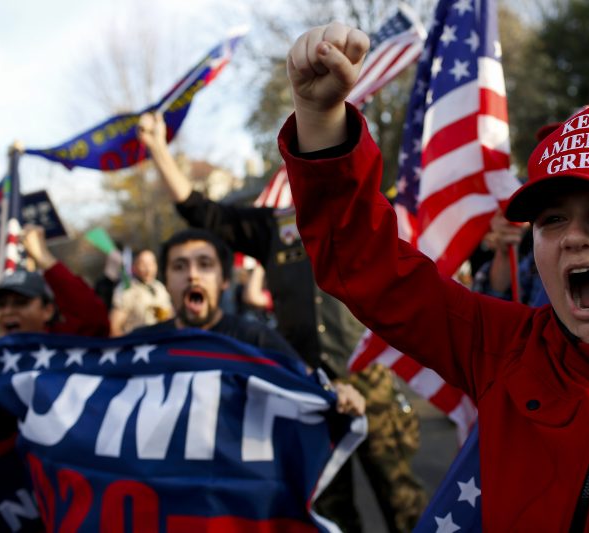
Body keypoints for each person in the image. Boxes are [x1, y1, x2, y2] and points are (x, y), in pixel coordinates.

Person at [278, 22, 589, 530]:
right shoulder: (504, 348)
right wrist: (320, 122)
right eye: (552, 219)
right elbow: (366, 264)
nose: (573, 237)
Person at [137, 113, 427, 532]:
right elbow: (201, 211)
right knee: (331, 512)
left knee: (404, 503)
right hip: (308, 389)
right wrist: (159, 150)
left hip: (369, 377)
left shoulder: (354, 210)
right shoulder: (269, 228)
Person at [132, 227, 365, 417]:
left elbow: (306, 381)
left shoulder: (256, 338)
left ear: (224, 281)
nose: (193, 275)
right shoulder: (142, 344)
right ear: (166, 281)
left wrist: (337, 392)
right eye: (179, 266)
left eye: (205, 264)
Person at [0, 224, 109, 338]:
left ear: (47, 311)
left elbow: (94, 320)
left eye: (21, 302)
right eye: (1, 305)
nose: (8, 311)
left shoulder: (61, 347)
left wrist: (43, 257)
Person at [109, 248, 173, 336]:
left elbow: (170, 316)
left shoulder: (160, 288)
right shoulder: (126, 290)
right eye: (143, 264)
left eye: (151, 264)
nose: (148, 269)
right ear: (134, 267)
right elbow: (114, 328)